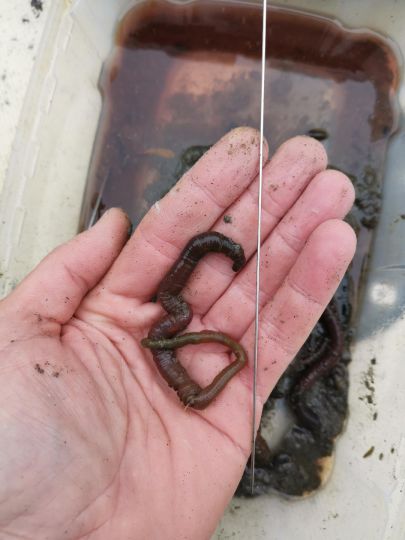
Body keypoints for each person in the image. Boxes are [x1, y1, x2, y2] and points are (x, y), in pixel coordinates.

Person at [0, 128, 356, 540]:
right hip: (179, 362)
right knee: (191, 298)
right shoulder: (174, 329)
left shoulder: (174, 319)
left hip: (177, 356)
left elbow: (197, 259)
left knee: (190, 297)